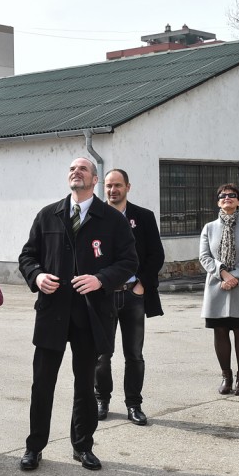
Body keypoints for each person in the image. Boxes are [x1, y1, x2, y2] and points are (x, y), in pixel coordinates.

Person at [17, 157, 137, 472]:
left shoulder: (112, 219)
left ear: (95, 179)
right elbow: (27, 256)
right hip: (52, 312)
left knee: (84, 384)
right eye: (72, 168)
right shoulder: (48, 215)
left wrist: (101, 279)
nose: (76, 172)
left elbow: (129, 261)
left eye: (83, 168)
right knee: (42, 383)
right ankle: (34, 447)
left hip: (90, 314)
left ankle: (83, 446)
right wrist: (37, 276)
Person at [94, 168, 165, 425]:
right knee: (101, 355)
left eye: (118, 185)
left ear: (128, 187)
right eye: (109, 186)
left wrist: (142, 284)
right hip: (103, 296)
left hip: (133, 295)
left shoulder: (143, 217)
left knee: (134, 354)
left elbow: (156, 254)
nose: (113, 190)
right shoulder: (93, 216)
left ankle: (134, 404)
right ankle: (101, 400)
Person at [199, 183, 239, 395]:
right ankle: (226, 377)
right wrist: (224, 274)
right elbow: (204, 257)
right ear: (218, 202)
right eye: (222, 196)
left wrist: (235, 277)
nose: (227, 198)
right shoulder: (209, 228)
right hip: (217, 286)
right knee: (220, 332)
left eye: (232, 195)